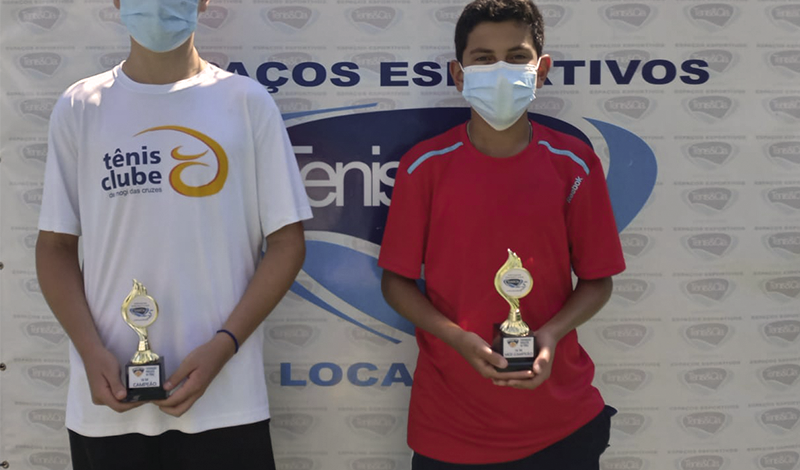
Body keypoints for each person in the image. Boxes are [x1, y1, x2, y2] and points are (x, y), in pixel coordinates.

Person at [35, 0, 311, 468]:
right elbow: (55, 246)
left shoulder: (246, 102)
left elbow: (287, 244)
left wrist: (224, 346)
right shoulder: (80, 106)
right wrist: (89, 351)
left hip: (226, 401)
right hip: (108, 405)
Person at [378, 0, 625, 468]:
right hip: (450, 430)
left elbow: (598, 280)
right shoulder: (423, 167)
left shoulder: (574, 163)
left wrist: (550, 335)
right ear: (458, 74)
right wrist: (456, 338)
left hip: (562, 426)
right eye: (483, 59)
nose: (499, 71)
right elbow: (396, 282)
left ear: (541, 70)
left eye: (516, 57)